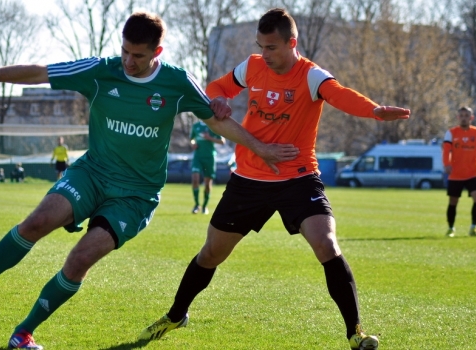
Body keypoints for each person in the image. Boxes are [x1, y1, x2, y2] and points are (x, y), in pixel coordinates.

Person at [0, 12, 298, 350]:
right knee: (36, 222)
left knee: (80, 258)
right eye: (125, 52)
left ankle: (24, 334)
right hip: (92, 173)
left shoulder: (176, 83)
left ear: (157, 52)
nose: (129, 62)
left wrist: (260, 148)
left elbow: (216, 118)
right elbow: (38, 72)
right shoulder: (101, 70)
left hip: (136, 196)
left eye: (139, 55)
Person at [139, 8, 410, 350]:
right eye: (261, 46)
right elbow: (218, 85)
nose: (264, 54)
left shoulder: (311, 76)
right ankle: (176, 315)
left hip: (298, 178)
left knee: (326, 244)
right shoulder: (252, 66)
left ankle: (355, 333)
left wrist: (373, 110)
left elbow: (340, 94)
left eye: (271, 48)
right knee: (210, 254)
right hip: (249, 179)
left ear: (291, 43)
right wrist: (219, 97)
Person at [443, 106, 476, 237]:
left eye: (467, 116)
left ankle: (474, 227)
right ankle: (451, 228)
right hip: (455, 174)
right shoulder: (451, 133)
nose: (464, 118)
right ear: (458, 118)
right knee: (453, 201)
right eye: (461, 115)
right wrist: (447, 164)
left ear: (471, 118)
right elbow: (446, 150)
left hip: (473, 173)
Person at [189, 119, 225, 214]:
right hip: (198, 156)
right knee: (195, 179)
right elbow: (191, 139)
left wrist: (209, 138)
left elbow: (222, 141)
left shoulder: (212, 125)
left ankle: (205, 206)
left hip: (210, 157)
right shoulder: (196, 125)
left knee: (207, 184)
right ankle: (197, 205)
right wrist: (193, 144)